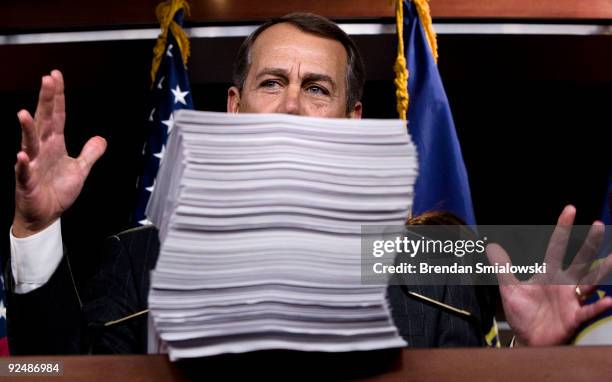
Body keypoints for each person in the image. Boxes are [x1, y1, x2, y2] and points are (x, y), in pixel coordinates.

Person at [6, 13, 612, 354]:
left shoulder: (430, 260)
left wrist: (536, 361)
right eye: (272, 83)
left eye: (316, 88)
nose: (292, 104)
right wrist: (36, 229)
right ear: (235, 110)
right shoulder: (142, 257)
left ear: (352, 121)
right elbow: (49, 375)